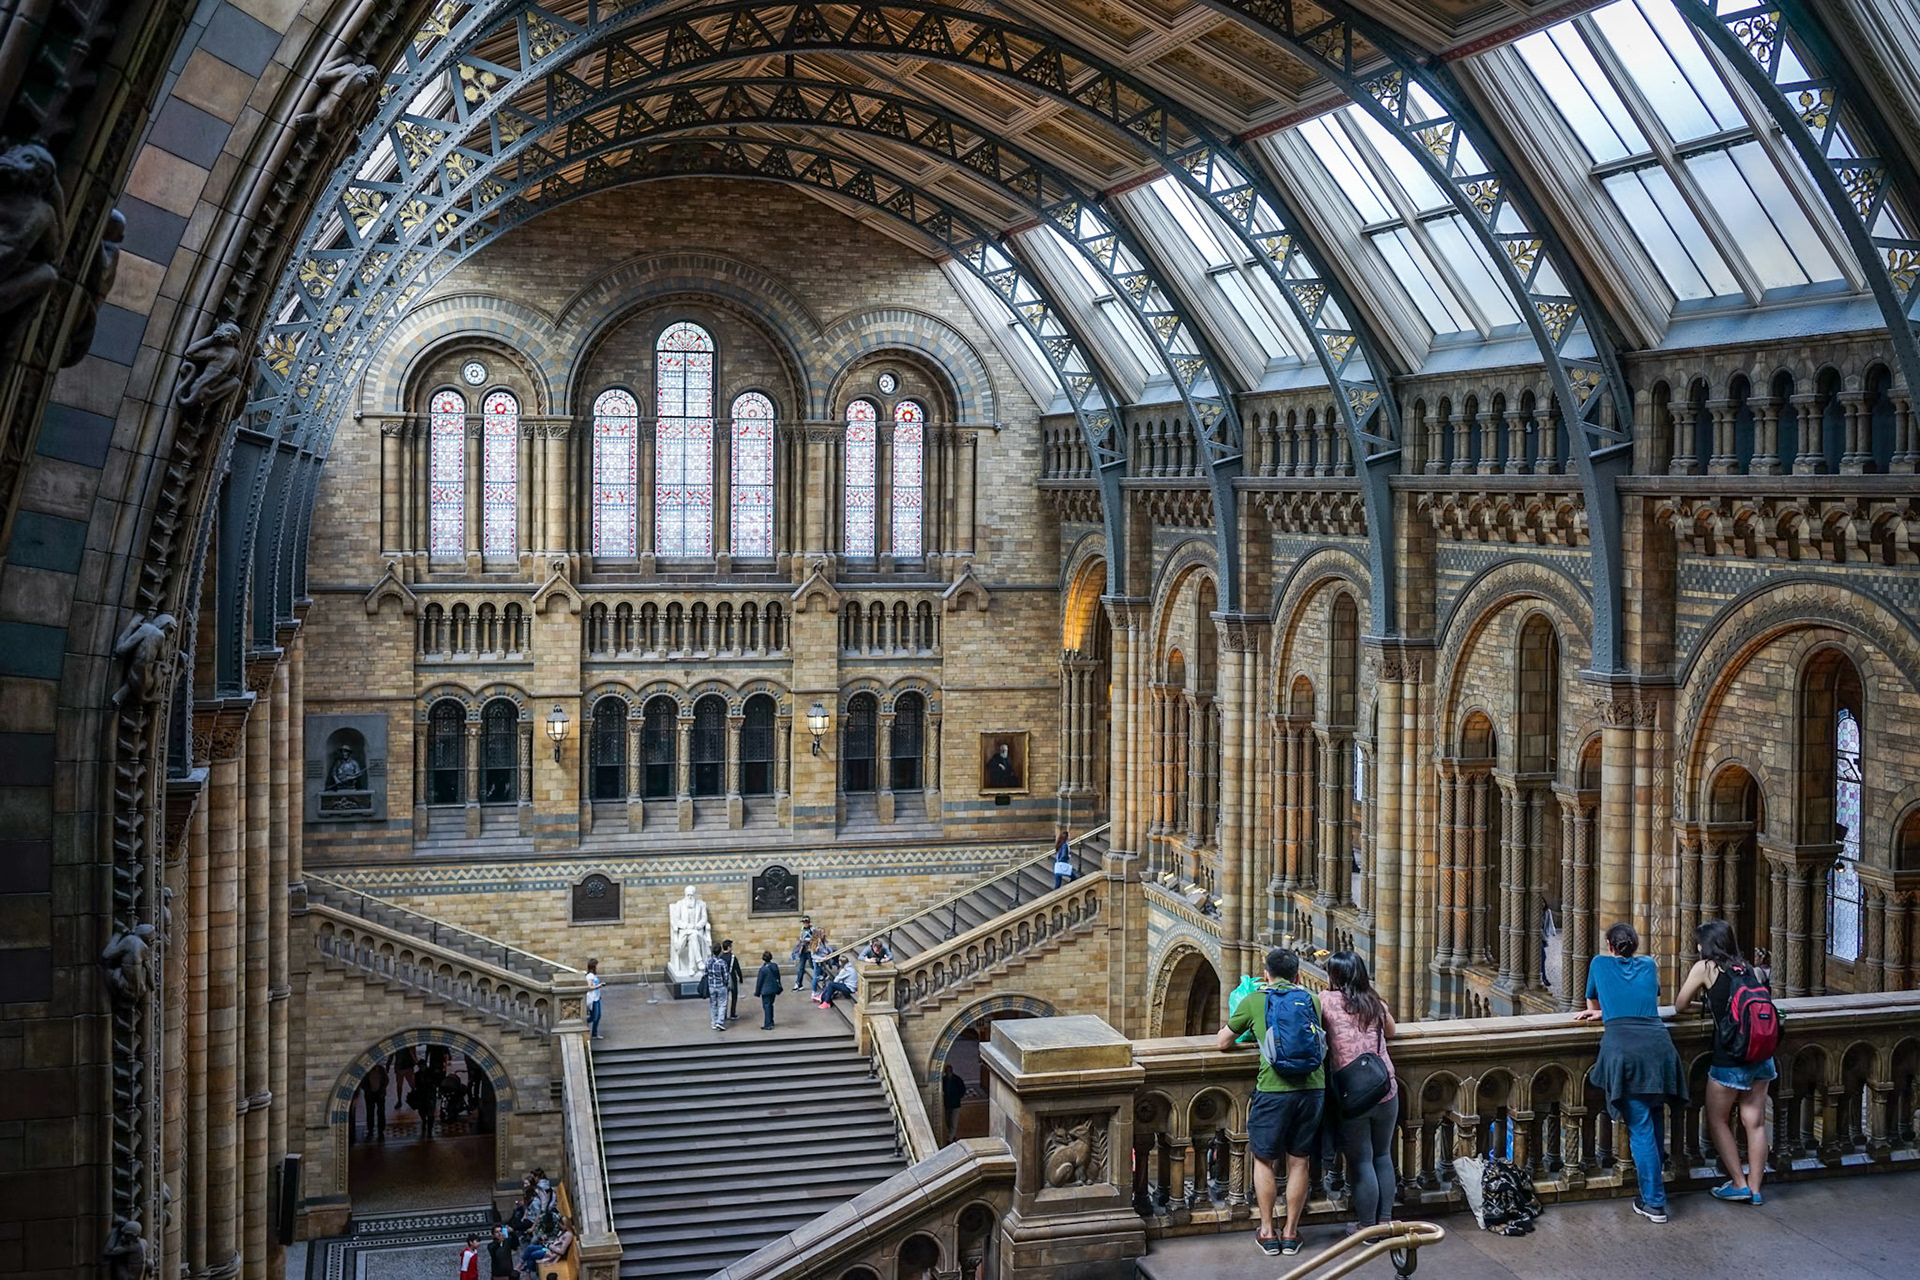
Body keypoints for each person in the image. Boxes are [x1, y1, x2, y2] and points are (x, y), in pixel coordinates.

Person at [1578, 921, 1686, 1224]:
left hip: (1626, 1052)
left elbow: (1592, 1000)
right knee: (1652, 1121)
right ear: (1635, 945)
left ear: (1610, 946)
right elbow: (1647, 998)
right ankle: (1654, 1192)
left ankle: (1654, 1203)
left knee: (1639, 1128)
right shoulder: (1649, 964)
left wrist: (1603, 1010)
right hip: (1659, 1048)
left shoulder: (1599, 963)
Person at [1221, 947, 1325, 1257]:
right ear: (1298, 976)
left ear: (1266, 974)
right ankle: (1291, 1233)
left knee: (1264, 1159)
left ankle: (1267, 1232)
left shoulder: (1256, 1000)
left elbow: (1222, 1042)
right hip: (1312, 1088)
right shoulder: (1312, 1000)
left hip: (1274, 1089)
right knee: (1299, 1161)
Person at [1675, 918, 1775, 1206]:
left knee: (1718, 1120)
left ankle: (1738, 1183)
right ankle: (1756, 1189)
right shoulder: (1752, 969)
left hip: (1729, 1058)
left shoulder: (1705, 968)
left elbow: (1681, 1005)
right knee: (1754, 1123)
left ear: (1706, 945)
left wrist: (1705, 1006)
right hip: (1761, 1056)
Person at [1322, 951, 1397, 1231]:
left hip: (1353, 1095)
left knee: (1362, 1160)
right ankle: (1386, 1221)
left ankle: (1368, 1228)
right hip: (1385, 1088)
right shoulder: (1375, 1002)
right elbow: (1391, 1032)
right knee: (1383, 1155)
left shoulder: (1326, 1000)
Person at [703, 944, 733, 1031]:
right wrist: (725, 983)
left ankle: (713, 1022)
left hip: (711, 986)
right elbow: (726, 976)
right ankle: (720, 1022)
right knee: (722, 1004)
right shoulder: (722, 962)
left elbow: (705, 973)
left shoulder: (708, 961)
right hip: (721, 986)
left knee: (713, 1004)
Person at [361, 1059, 388, 1141]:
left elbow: (386, 1080)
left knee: (381, 1112)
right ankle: (370, 1130)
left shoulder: (381, 1070)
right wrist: (367, 1090)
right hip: (370, 1095)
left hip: (380, 1095)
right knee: (370, 1113)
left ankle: (381, 1131)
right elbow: (362, 1082)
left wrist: (382, 1090)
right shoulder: (366, 1071)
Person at [755, 950, 782, 1029]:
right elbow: (778, 977)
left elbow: (759, 982)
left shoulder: (763, 969)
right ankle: (771, 1021)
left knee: (766, 1006)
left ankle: (768, 1024)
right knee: (770, 1005)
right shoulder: (774, 966)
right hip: (773, 989)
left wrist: (757, 992)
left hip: (765, 991)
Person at [942, 1063, 968, 1141]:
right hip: (947, 1104)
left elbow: (962, 1090)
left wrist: (957, 1097)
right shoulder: (944, 1080)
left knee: (953, 1122)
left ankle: (949, 1139)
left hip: (955, 1105)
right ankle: (952, 1136)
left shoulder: (957, 1080)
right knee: (948, 1122)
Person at [722, 939, 744, 1021]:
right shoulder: (733, 957)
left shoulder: (721, 957)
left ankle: (723, 1014)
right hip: (732, 978)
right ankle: (732, 1013)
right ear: (729, 947)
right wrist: (741, 978)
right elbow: (737, 969)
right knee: (734, 996)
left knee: (724, 998)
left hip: (723, 978)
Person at [791, 916, 816, 991]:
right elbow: (801, 938)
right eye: (804, 923)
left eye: (806, 923)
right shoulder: (802, 929)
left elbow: (815, 938)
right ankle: (799, 983)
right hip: (803, 950)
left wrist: (807, 939)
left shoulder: (812, 929)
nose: (805, 924)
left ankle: (822, 974)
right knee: (800, 968)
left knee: (812, 965)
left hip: (810, 950)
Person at [585, 958, 603, 1040]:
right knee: (594, 1017)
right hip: (593, 999)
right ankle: (583, 1023)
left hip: (597, 998)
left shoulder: (594, 975)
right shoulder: (590, 976)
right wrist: (598, 986)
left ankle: (594, 1034)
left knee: (598, 1016)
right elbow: (589, 987)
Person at [393, 1046, 416, 1111]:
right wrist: (415, 1061)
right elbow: (412, 1052)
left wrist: (388, 1065)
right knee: (411, 1084)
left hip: (401, 1067)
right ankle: (416, 1097)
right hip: (407, 1066)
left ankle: (400, 1101)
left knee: (400, 1085)